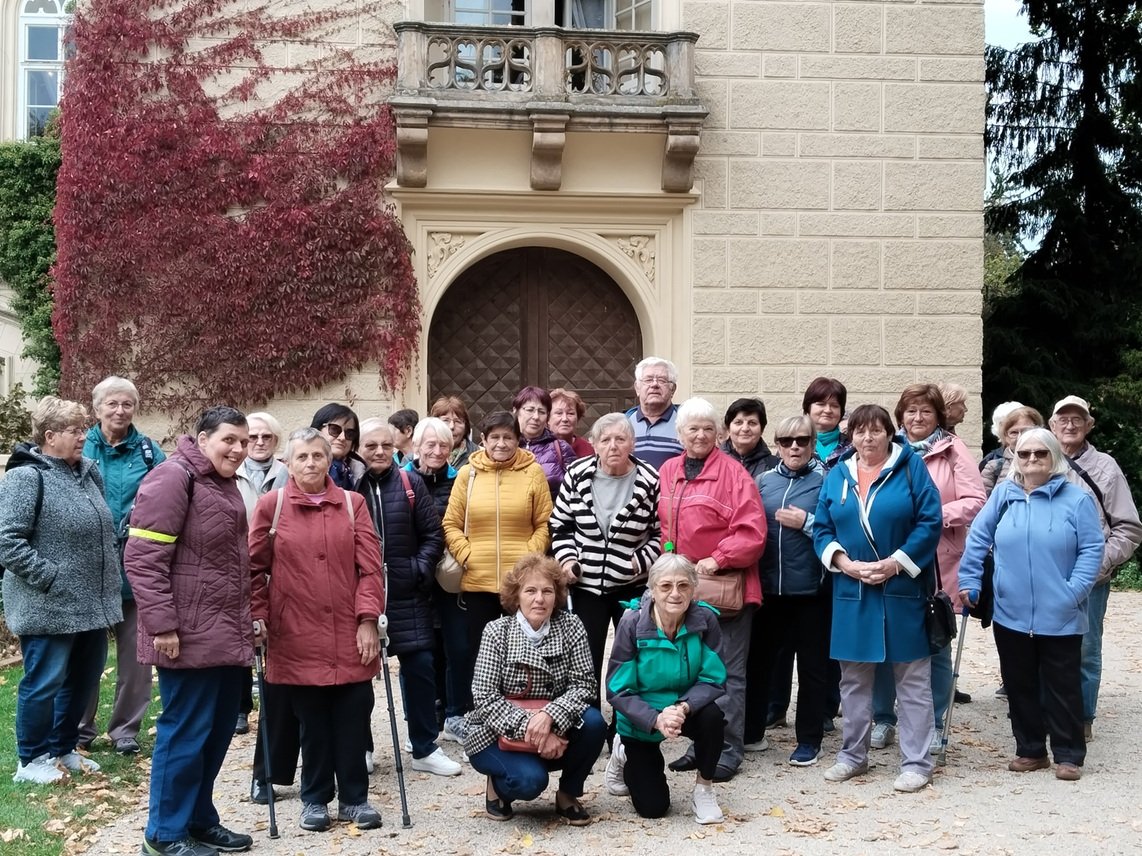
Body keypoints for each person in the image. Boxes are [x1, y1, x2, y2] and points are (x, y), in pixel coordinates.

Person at [124, 406, 255, 856]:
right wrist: (162, 625)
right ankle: (163, 834)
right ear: (202, 439)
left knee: (214, 734)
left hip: (225, 632)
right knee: (185, 733)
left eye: (244, 441)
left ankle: (197, 820)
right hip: (186, 633)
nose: (238, 449)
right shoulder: (172, 478)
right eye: (229, 440)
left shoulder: (220, 482)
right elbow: (143, 560)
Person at [247, 427, 385, 832]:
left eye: (318, 456)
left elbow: (370, 569)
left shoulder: (352, 504)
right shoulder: (272, 506)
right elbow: (253, 569)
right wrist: (259, 616)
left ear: (329, 460)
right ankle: (315, 799)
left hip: (349, 631)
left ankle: (355, 800)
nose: (310, 463)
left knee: (354, 714)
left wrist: (367, 620)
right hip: (295, 633)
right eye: (302, 457)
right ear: (288, 463)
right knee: (312, 722)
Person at [958, 428, 1104, 781]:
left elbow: (1092, 549)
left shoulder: (1077, 499)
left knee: (1062, 686)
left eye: (1040, 453)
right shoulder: (1004, 495)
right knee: (1019, 683)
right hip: (1011, 610)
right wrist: (970, 579)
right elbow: (978, 538)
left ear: (1054, 457)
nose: (1032, 459)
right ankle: (1031, 750)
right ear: (1016, 458)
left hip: (1061, 612)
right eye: (1024, 454)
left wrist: (1073, 592)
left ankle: (1068, 755)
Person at [812, 403, 942, 794]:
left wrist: (895, 563)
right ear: (850, 436)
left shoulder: (911, 467)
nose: (867, 438)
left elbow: (930, 521)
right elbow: (822, 528)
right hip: (852, 589)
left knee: (912, 680)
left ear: (889, 432)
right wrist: (844, 563)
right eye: (859, 431)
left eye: (875, 430)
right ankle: (853, 756)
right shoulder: (838, 474)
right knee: (853, 680)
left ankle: (917, 762)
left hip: (901, 588)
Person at [1, 396, 121, 784]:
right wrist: (52, 579)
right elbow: (7, 542)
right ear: (50, 436)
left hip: (90, 602)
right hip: (47, 604)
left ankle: (63, 748)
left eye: (84, 428)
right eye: (74, 430)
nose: (83, 436)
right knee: (44, 682)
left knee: (83, 679)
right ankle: (31, 760)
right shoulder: (26, 477)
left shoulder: (89, 472)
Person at [869, 384, 986, 755]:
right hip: (888, 557)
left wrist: (931, 517)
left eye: (926, 411)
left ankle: (934, 722)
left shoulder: (952, 450)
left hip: (936, 559)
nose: (917, 418)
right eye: (911, 411)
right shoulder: (888, 449)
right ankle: (883, 717)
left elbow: (975, 500)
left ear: (939, 416)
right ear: (900, 416)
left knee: (935, 642)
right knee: (885, 640)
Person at [657, 397, 766, 781]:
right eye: (693, 428)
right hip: (683, 592)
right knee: (694, 672)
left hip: (723, 590)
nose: (701, 435)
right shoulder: (669, 470)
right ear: (680, 434)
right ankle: (701, 744)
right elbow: (664, 529)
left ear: (719, 433)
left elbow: (753, 532)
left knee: (727, 673)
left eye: (708, 428)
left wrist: (717, 558)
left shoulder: (735, 474)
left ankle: (728, 749)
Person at [464, 554, 606, 825]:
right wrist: (535, 730)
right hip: (498, 732)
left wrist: (549, 717)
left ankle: (568, 794)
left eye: (547, 591)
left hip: (555, 725)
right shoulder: (496, 631)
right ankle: (497, 787)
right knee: (530, 782)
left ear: (557, 595)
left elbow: (584, 684)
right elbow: (484, 697)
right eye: (530, 591)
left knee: (594, 723)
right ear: (516, 596)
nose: (539, 599)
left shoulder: (572, 626)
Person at [356, 419, 460, 776]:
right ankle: (361, 747)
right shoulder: (350, 485)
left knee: (420, 668)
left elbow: (433, 535)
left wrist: (418, 570)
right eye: (371, 446)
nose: (379, 452)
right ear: (359, 448)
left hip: (407, 594)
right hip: (362, 596)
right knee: (359, 676)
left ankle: (424, 747)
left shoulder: (409, 482)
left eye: (386, 445)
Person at [77, 376, 166, 757]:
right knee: (85, 654)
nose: (120, 410)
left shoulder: (149, 452)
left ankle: (125, 730)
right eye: (112, 403)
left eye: (127, 404)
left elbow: (167, 496)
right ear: (97, 408)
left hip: (136, 567)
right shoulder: (79, 446)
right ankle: (80, 729)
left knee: (136, 657)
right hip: (89, 569)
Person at [550, 413, 661, 707]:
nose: (613, 446)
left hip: (632, 585)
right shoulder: (576, 474)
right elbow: (560, 525)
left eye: (620, 439)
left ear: (632, 444)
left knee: (631, 656)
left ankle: (627, 722)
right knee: (585, 658)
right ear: (594, 444)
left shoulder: (651, 479)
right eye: (606, 440)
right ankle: (590, 721)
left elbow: (663, 534)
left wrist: (638, 562)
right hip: (585, 585)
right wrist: (568, 560)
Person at [606, 554, 727, 823]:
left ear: (693, 588)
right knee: (653, 808)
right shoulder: (632, 622)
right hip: (643, 716)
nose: (675, 593)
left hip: (684, 706)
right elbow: (618, 689)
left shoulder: (705, 619)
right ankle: (622, 750)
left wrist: (683, 707)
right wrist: (656, 718)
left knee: (713, 717)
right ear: (652, 589)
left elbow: (713, 678)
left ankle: (704, 790)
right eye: (666, 586)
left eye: (683, 585)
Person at [1048, 395, 1142, 741]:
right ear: (1051, 424)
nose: (1070, 425)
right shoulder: (1038, 458)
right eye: (1063, 419)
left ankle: (1082, 717)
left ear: (1089, 425)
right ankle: (1048, 714)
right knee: (1043, 648)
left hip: (1091, 581)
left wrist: (1098, 563)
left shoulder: (1106, 466)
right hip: (1044, 576)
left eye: (1078, 419)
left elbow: (1129, 528)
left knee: (1086, 649)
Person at [442, 411, 552, 684]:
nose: (501, 443)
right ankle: (480, 708)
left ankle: (522, 706)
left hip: (521, 584)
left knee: (524, 654)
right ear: (483, 439)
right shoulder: (468, 474)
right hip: (477, 582)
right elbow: (451, 524)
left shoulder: (533, 472)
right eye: (495, 437)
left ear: (518, 440)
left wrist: (529, 559)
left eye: (508, 437)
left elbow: (545, 523)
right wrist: (467, 555)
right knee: (480, 656)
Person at [745, 415, 829, 766]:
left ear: (812, 444)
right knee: (759, 664)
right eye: (786, 441)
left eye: (802, 440)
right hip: (768, 592)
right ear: (776, 445)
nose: (794, 447)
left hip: (811, 592)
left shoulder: (827, 480)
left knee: (812, 669)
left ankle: (809, 740)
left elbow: (839, 527)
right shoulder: (763, 481)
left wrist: (806, 523)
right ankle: (751, 732)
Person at [407, 417, 469, 744]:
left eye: (444, 445)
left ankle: (455, 713)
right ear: (416, 446)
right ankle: (422, 718)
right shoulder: (401, 480)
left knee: (456, 646)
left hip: (450, 574)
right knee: (420, 650)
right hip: (415, 575)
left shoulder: (461, 480)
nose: (437, 451)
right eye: (430, 444)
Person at [233, 411, 288, 737]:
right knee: (242, 634)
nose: (259, 442)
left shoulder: (287, 472)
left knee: (276, 636)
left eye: (266, 436)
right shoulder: (232, 473)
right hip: (240, 564)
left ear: (276, 440)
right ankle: (241, 707)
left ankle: (273, 705)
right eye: (252, 437)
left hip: (278, 564)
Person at [512, 386, 575, 496]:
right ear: (516, 411)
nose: (536, 417)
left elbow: (575, 489)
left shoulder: (561, 448)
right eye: (530, 410)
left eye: (542, 412)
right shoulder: (504, 446)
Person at [625, 357, 682, 469]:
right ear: (637, 388)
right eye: (648, 380)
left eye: (662, 380)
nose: (654, 384)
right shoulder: (623, 423)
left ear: (673, 389)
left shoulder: (685, 423)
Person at [980, 405, 1043, 496]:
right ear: (1005, 436)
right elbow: (981, 500)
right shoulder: (993, 467)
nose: (1020, 437)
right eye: (1014, 432)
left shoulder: (1051, 464)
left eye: (1026, 431)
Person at [720, 397, 779, 478]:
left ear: (762, 430)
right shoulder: (711, 464)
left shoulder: (775, 467)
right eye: (738, 422)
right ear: (728, 428)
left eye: (752, 423)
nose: (745, 429)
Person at [310, 402, 365, 489]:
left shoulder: (361, 473)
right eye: (334, 430)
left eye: (349, 433)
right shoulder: (298, 466)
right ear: (318, 430)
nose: (342, 438)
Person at [804, 376, 851, 471]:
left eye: (834, 405)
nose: (828, 410)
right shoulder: (794, 443)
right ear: (808, 408)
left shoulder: (853, 446)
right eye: (821, 404)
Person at [430, 395, 478, 468]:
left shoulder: (478, 456)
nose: (451, 426)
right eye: (446, 420)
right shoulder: (422, 454)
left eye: (458, 421)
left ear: (466, 427)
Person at [549, 387, 595, 458]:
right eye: (559, 413)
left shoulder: (589, 450)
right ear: (548, 418)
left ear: (577, 418)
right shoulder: (537, 449)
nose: (565, 419)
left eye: (570, 413)